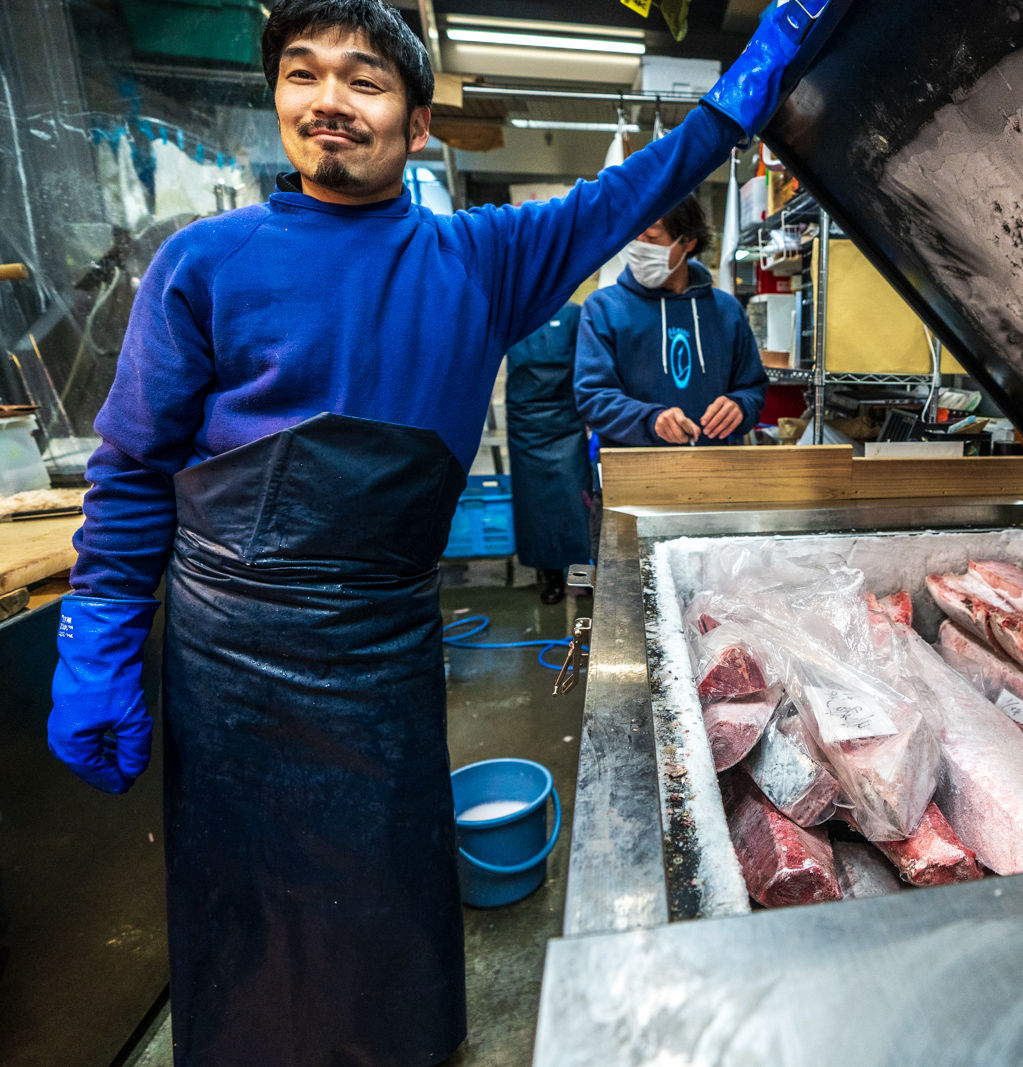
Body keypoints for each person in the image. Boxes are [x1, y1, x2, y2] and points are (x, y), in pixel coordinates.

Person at [42, 0, 825, 1063]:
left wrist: (736, 100)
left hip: (380, 646)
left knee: (387, 901)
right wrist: (96, 633)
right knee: (244, 915)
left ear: (416, 125)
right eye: (303, 75)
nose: (328, 101)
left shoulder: (480, 258)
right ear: (279, 101)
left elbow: (620, 198)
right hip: (225, 652)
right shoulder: (204, 262)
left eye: (364, 81)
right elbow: (133, 468)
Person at [574, 196, 770, 448]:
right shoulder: (603, 308)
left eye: (652, 237)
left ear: (688, 241)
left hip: (716, 468)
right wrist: (651, 421)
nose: (639, 245)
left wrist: (740, 406)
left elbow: (752, 387)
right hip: (634, 474)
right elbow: (594, 398)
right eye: (634, 234)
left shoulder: (726, 309)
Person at [503, 303, 591, 603]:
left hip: (566, 422)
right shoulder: (513, 311)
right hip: (525, 426)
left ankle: (581, 580)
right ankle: (551, 580)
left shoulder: (572, 315)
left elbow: (587, 366)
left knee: (576, 510)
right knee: (536, 512)